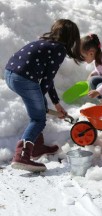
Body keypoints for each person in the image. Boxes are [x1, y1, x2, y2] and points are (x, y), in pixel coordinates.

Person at [4, 19, 83, 172]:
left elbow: (48, 79)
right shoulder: (59, 49)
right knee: (38, 118)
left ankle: (36, 147)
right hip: (24, 79)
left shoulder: (43, 43)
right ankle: (22, 156)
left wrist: (56, 104)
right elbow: (46, 80)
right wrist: (45, 104)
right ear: (72, 38)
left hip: (10, 75)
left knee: (38, 110)